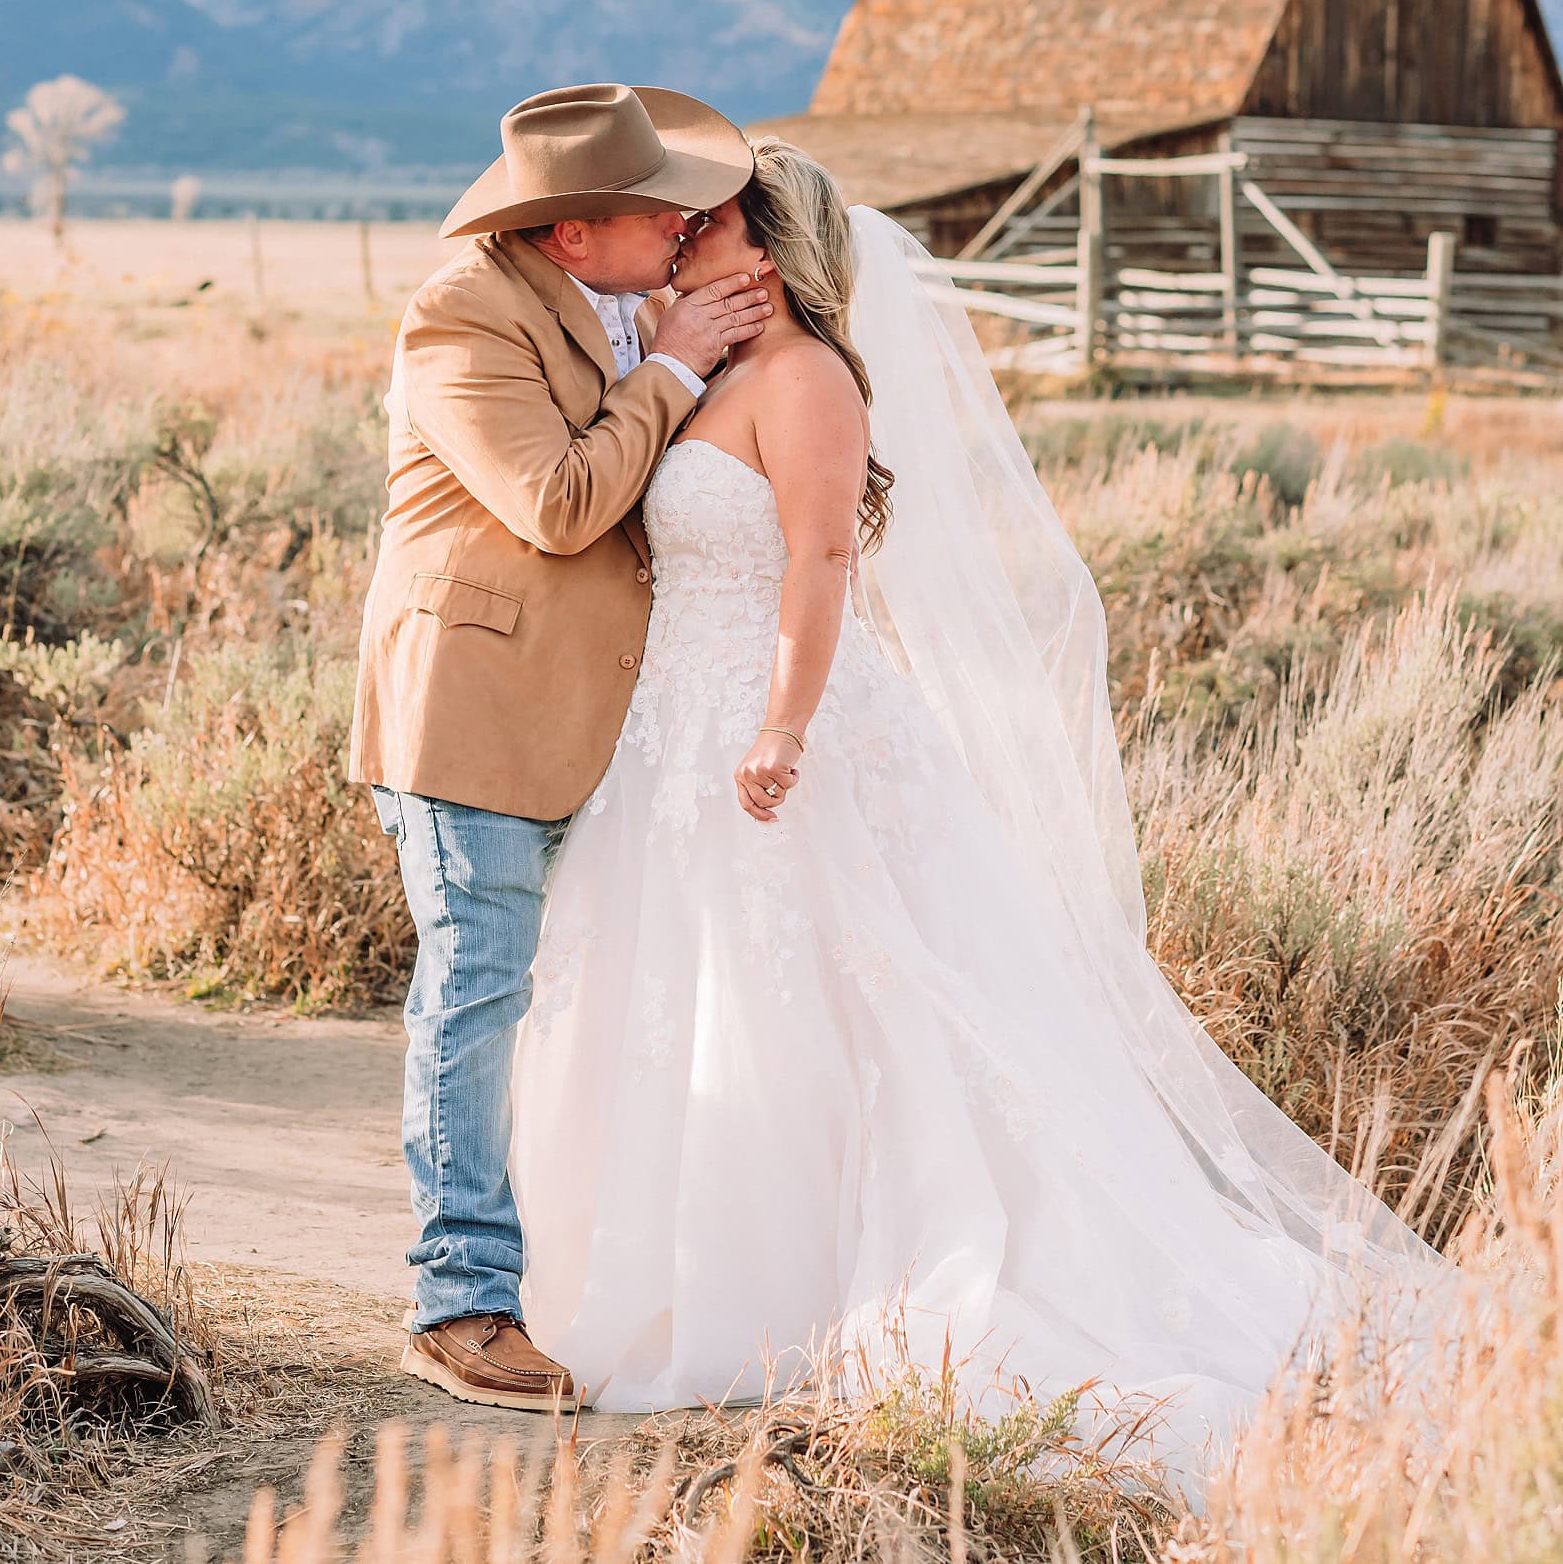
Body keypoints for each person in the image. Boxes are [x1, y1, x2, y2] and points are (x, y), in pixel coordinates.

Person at [509, 138, 1449, 1491]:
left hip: (777, 735)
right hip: (671, 739)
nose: (676, 236)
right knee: (687, 994)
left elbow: (823, 557)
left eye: (704, 223)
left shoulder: (811, 379)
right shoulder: (705, 363)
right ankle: (671, 1280)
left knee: (846, 1007)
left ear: (765, 250)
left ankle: (831, 1286)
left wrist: (782, 725)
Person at [350, 81, 767, 1409]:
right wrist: (680, 366)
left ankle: (578, 1262)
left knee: (567, 993)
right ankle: (457, 1302)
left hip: (598, 715)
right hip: (471, 708)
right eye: (659, 211)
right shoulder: (462, 314)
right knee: (475, 991)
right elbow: (560, 500)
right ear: (574, 236)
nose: (685, 221)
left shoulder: (626, 303)